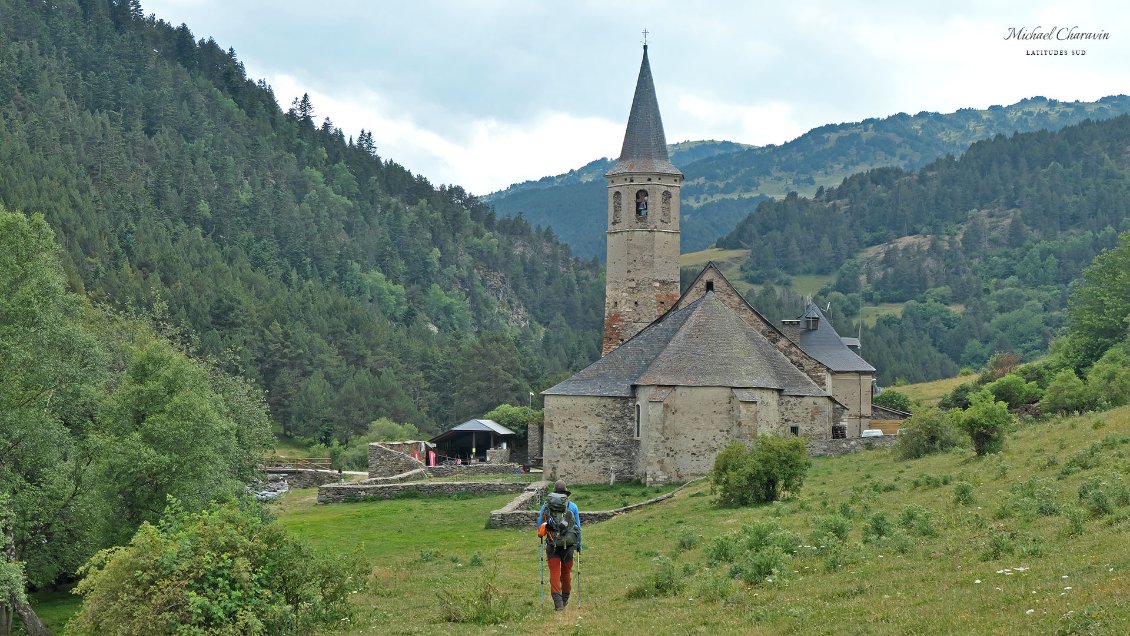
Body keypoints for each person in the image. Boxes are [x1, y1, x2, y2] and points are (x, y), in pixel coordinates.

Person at [536, 479, 582, 610]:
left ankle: (558, 604)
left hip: (552, 544)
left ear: (554, 493)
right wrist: (579, 545)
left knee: (554, 573)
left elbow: (540, 526)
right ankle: (565, 599)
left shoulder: (546, 506)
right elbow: (578, 527)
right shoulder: (573, 506)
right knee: (566, 573)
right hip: (569, 546)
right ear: (566, 493)